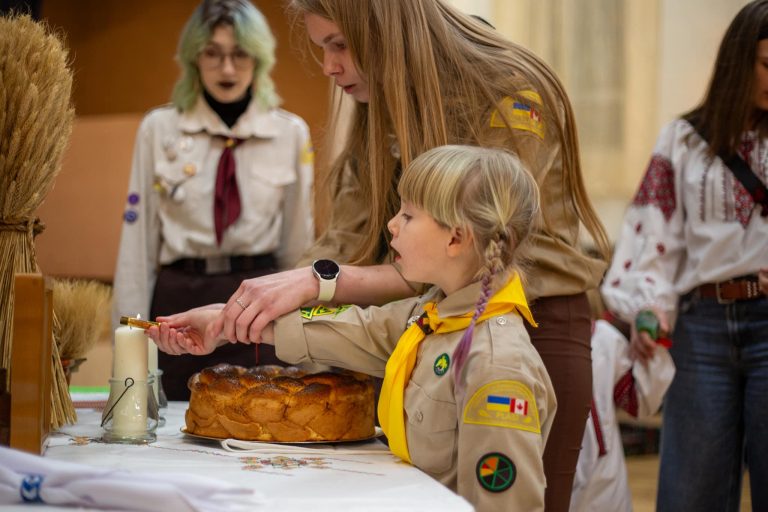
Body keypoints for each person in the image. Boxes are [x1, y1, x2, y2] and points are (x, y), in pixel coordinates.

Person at [161, 2, 610, 508]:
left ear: (386, 31)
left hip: (533, 321)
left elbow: (476, 255)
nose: (329, 67)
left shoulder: (506, 90)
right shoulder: (417, 316)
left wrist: (316, 283)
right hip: (436, 315)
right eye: (321, 47)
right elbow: (348, 247)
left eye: (339, 44)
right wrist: (241, 315)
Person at [150, 145, 556, 512]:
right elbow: (356, 329)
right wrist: (225, 322)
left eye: (409, 215)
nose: (393, 225)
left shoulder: (496, 366)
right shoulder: (435, 312)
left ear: (456, 239)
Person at [601, 2, 768, 510]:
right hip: (702, 328)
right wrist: (649, 309)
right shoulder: (683, 139)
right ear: (739, 61)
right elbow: (654, 232)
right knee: (689, 494)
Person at [111, 0, 315, 400]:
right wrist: (130, 340)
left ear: (258, 60)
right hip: (179, 304)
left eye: (239, 54)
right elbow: (137, 244)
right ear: (193, 59)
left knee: (259, 423)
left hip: (256, 303)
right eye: (213, 53)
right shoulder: (160, 128)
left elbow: (299, 245)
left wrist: (304, 338)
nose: (226, 69)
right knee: (172, 431)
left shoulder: (289, 133)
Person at [569, 300, 674, 512]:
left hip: (603, 491)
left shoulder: (603, 339)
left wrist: (650, 343)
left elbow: (640, 402)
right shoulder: (515, 339)